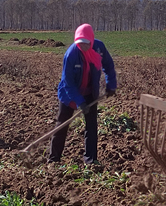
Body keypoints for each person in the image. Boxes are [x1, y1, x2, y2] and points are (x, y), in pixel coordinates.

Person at [48, 23, 117, 167]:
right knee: (61, 125)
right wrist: (80, 102)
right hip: (69, 93)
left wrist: (111, 85)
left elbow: (109, 66)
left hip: (90, 92)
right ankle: (54, 159)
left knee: (91, 126)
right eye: (80, 43)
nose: (83, 46)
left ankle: (90, 160)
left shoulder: (99, 48)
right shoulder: (71, 54)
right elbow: (68, 82)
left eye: (86, 43)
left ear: (91, 40)